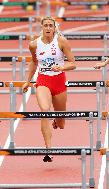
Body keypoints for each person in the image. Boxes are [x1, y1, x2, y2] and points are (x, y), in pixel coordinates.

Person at [22, 16, 76, 162]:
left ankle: (56, 121)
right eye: (45, 25)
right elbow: (33, 63)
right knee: (44, 110)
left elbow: (73, 63)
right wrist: (27, 81)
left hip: (59, 81)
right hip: (43, 80)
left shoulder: (61, 41)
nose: (48, 28)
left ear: (54, 28)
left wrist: (62, 66)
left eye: (50, 26)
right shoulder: (34, 45)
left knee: (61, 124)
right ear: (42, 27)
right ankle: (48, 149)